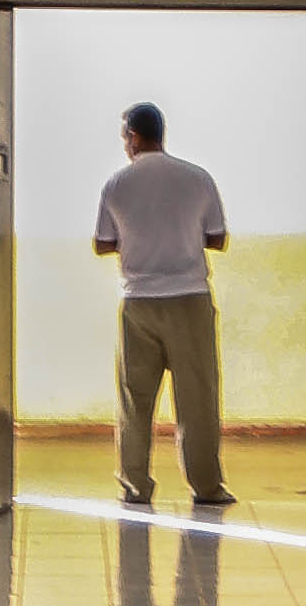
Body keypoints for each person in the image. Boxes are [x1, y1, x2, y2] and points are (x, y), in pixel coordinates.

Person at [93, 102, 234, 510]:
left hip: (138, 303)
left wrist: (138, 241)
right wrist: (180, 238)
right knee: (198, 399)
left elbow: (102, 243)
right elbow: (217, 238)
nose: (124, 144)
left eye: (124, 137)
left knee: (135, 401)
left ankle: (135, 486)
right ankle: (206, 487)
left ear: (134, 136)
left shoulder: (116, 185)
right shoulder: (197, 178)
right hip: (190, 300)